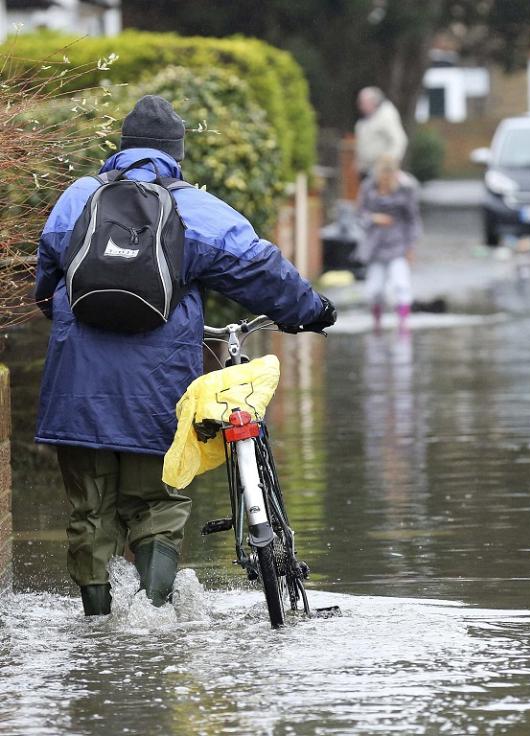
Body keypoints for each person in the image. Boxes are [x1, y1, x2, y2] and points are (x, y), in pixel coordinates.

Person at [33, 95, 337, 616]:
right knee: (157, 505)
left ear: (121, 148)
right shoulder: (191, 207)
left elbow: (46, 287)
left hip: (74, 391)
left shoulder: (78, 197)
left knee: (91, 513)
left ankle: (100, 622)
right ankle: (149, 620)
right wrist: (313, 311)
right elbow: (259, 269)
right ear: (176, 154)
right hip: (157, 393)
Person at [357, 153, 420, 333]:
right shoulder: (368, 188)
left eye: (389, 175)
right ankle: (377, 320)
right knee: (375, 290)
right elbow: (359, 214)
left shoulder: (405, 190)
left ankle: (403, 323)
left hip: (397, 244)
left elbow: (413, 219)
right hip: (375, 246)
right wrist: (374, 218)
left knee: (401, 284)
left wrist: (411, 246)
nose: (385, 179)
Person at [354, 87, 407, 183]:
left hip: (381, 172)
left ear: (373, 102)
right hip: (366, 170)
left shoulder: (386, 116)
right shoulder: (366, 119)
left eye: (363, 102)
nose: (360, 106)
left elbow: (399, 140)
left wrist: (388, 164)